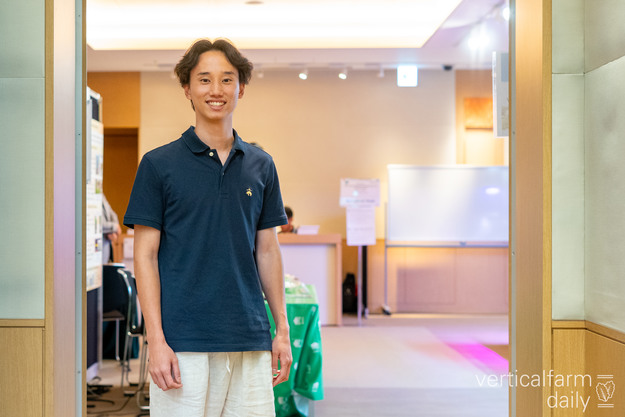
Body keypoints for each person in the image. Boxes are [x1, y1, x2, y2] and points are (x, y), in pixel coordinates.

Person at [123, 38, 292, 417]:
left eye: (227, 79)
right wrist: (156, 340)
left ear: (241, 89)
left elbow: (267, 251)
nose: (216, 90)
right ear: (187, 88)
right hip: (182, 341)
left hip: (249, 335)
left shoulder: (261, 165)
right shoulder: (158, 165)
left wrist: (281, 330)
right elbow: (145, 257)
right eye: (204, 80)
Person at [102, 193, 121, 263]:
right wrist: (114, 227)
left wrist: (113, 230)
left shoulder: (101, 194)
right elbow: (96, 223)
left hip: (105, 247)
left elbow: (112, 213)